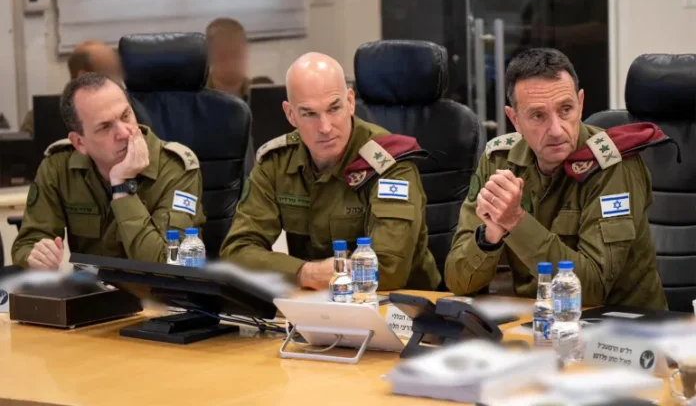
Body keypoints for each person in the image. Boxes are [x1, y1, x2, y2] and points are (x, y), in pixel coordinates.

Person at [445, 48, 668, 309]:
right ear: (515, 119)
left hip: (621, 323)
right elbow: (457, 282)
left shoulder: (612, 165)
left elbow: (593, 289)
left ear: (580, 104)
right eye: (538, 115)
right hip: (536, 318)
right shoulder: (499, 161)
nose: (556, 130)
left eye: (565, 110)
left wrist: (515, 221)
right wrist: (489, 236)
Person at [219, 52, 440, 291]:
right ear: (290, 114)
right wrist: (303, 273)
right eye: (309, 114)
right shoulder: (276, 162)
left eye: (334, 108)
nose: (325, 127)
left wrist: (319, 274)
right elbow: (236, 252)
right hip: (312, 302)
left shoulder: (389, 163)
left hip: (400, 306)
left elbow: (387, 270)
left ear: (350, 102)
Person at [12, 73, 205, 269]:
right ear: (79, 143)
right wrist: (37, 257)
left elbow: (168, 265)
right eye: (105, 127)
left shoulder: (176, 168)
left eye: (126, 116)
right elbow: (27, 243)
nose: (124, 132)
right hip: (90, 286)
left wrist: (123, 188)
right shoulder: (59, 166)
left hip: (153, 288)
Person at [20, 41, 151, 135]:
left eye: (117, 73)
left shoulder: (132, 110)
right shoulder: (39, 120)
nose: (118, 83)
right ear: (83, 77)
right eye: (109, 75)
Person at [205, 18, 251, 101]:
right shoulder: (193, 99)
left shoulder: (265, 91)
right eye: (223, 56)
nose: (231, 63)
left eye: (236, 53)